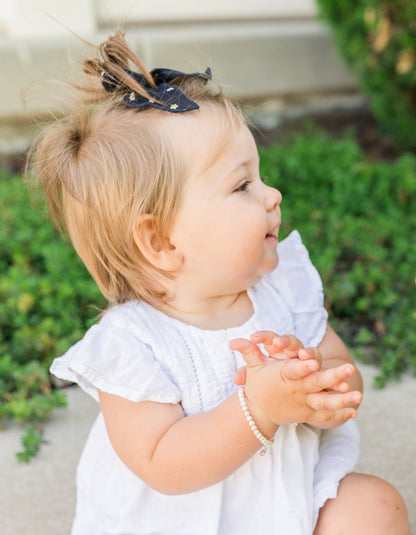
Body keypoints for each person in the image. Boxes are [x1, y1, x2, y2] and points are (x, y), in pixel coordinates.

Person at [30, 30, 410, 535]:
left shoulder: (283, 292)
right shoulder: (132, 347)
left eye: (260, 175)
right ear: (161, 242)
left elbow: (344, 372)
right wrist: (259, 407)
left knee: (374, 507)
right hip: (181, 525)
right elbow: (165, 465)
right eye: (242, 185)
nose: (272, 194)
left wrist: (315, 385)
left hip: (289, 504)